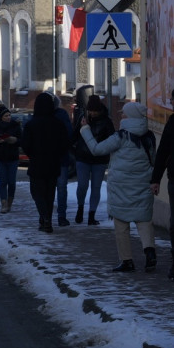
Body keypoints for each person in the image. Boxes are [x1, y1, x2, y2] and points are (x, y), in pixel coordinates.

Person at [79, 102, 158, 273]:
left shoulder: (120, 137)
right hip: (142, 184)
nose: (122, 116)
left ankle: (127, 260)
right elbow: (153, 159)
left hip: (121, 187)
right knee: (143, 220)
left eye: (124, 114)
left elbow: (97, 149)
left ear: (130, 117)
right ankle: (149, 251)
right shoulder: (149, 136)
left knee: (121, 224)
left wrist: (85, 130)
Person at [21, 92, 70, 233]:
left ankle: (45, 218)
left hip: (37, 163)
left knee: (37, 192)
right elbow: (65, 143)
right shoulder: (58, 124)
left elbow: (25, 144)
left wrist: (33, 154)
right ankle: (45, 220)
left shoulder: (31, 124)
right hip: (53, 163)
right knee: (49, 194)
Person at [71, 95, 112, 225]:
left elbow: (112, 139)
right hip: (82, 157)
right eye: (90, 110)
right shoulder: (83, 118)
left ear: (100, 110)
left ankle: (91, 215)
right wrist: (81, 127)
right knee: (82, 185)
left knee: (96, 187)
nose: (92, 113)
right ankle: (80, 208)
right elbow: (74, 136)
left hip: (99, 159)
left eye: (95, 110)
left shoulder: (106, 122)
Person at [150, 88, 174, 280]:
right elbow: (163, 152)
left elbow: (163, 152)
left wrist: (156, 179)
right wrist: (156, 178)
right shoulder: (172, 123)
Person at [0, 105, 22, 214]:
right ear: (1, 116)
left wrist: (14, 139)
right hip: (0, 158)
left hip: (13, 158)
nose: (8, 117)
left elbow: (22, 140)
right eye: (6, 115)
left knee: (11, 182)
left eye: (9, 115)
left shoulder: (15, 126)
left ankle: (10, 202)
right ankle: (4, 204)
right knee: (3, 181)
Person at [51, 91, 74, 226]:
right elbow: (69, 134)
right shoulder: (62, 114)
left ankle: (45, 216)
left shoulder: (40, 115)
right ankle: (61, 216)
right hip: (61, 157)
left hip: (47, 158)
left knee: (48, 188)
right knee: (61, 187)